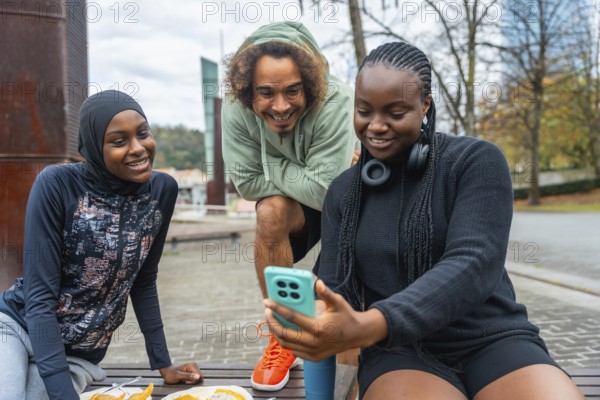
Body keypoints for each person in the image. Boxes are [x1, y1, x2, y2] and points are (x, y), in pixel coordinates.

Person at [264, 42, 585, 399]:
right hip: (399, 352)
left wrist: (373, 323)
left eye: (395, 112)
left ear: (425, 105)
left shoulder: (475, 162)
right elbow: (336, 287)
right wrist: (313, 318)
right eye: (364, 111)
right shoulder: (344, 193)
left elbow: (473, 263)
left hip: (492, 339)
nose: (376, 126)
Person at [0, 90, 204, 400]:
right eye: (119, 141)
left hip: (78, 354)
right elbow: (40, 298)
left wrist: (163, 364)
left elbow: (144, 280)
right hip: (18, 328)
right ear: (95, 146)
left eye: (143, 134)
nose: (138, 149)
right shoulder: (57, 184)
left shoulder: (162, 191)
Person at [221, 21, 357, 391]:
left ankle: (353, 372)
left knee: (342, 319)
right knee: (268, 211)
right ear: (248, 91)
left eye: (292, 91)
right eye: (266, 93)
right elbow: (247, 186)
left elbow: (327, 190)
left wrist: (271, 168)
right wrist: (306, 174)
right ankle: (285, 334)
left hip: (347, 201)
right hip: (294, 203)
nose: (280, 107)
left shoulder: (336, 99)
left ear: (310, 86)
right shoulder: (235, 107)